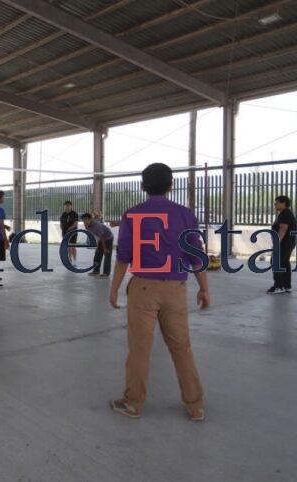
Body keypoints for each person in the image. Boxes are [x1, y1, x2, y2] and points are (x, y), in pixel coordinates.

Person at [108, 163, 209, 421]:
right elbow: (196, 255)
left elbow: (124, 256)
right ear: (171, 185)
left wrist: (114, 288)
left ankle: (133, 403)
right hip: (176, 289)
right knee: (182, 347)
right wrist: (204, 288)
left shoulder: (132, 215)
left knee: (139, 348)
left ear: (143, 186)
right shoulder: (185, 214)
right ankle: (195, 406)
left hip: (143, 288)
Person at [267, 195, 297, 294]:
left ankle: (279, 286)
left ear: (283, 203)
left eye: (276, 203)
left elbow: (283, 229)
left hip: (284, 243)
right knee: (284, 263)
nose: (274, 205)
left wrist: (276, 243)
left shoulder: (285, 214)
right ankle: (286, 285)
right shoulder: (284, 213)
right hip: (287, 242)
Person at [81, 212, 113, 277]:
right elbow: (97, 236)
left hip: (108, 238)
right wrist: (98, 246)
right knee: (97, 254)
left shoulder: (96, 225)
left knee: (107, 255)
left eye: (86, 220)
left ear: (90, 219)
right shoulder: (86, 226)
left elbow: (102, 237)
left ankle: (106, 273)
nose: (85, 222)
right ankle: (96, 271)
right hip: (101, 238)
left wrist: (104, 248)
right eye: (83, 220)